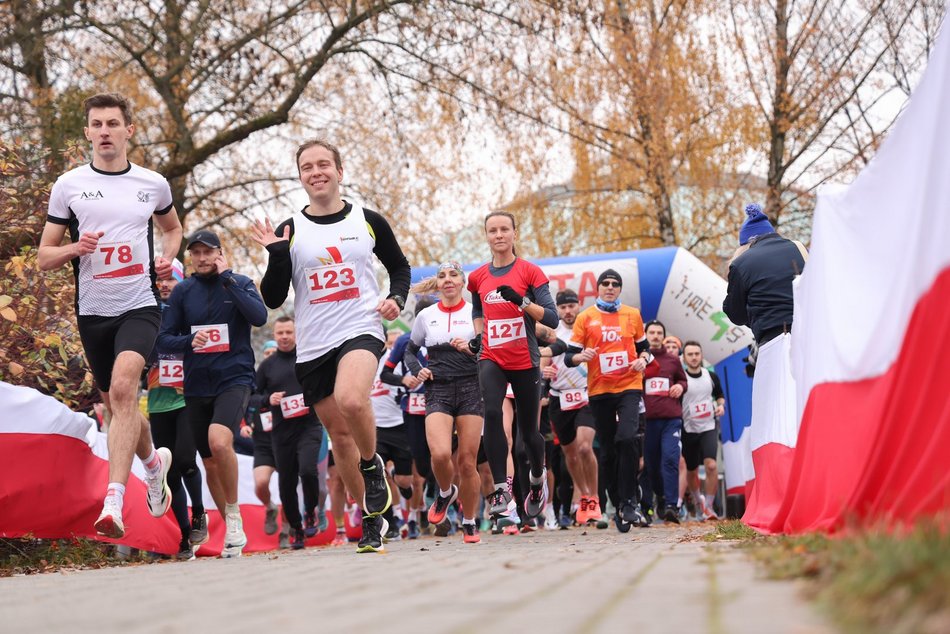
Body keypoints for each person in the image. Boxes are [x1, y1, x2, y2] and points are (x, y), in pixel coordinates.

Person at [252, 138, 411, 554]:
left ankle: (372, 466)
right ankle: (373, 521)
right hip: (314, 344)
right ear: (301, 176)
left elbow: (399, 266)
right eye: (308, 167)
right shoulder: (289, 229)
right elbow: (272, 297)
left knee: (353, 401)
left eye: (324, 164)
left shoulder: (367, 219)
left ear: (340, 172)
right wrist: (276, 254)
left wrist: (397, 297)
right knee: (339, 438)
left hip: (360, 327)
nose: (316, 172)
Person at [38, 92, 183, 538]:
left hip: (139, 304)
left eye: (112, 124)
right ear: (87, 132)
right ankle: (154, 464)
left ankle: (115, 502)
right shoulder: (69, 185)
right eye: (97, 124)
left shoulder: (152, 184)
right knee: (118, 406)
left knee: (124, 388)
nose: (105, 131)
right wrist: (73, 249)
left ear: (128, 131)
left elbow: (173, 228)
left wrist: (167, 258)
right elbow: (44, 256)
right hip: (93, 312)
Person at [157, 229, 268, 557]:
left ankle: (233, 517)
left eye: (208, 252)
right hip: (195, 385)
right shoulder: (183, 292)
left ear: (220, 253)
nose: (202, 258)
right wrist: (188, 342)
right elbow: (164, 338)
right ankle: (233, 533)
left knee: (221, 441)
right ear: (190, 257)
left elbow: (259, 317)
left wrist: (229, 279)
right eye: (197, 253)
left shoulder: (239, 283)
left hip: (234, 378)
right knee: (209, 461)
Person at [467, 211, 559, 523]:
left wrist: (521, 301)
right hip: (492, 357)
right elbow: (478, 308)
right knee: (492, 413)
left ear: (514, 234)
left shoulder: (530, 272)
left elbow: (552, 318)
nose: (498, 235)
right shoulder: (478, 277)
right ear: (487, 236)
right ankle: (501, 492)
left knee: (529, 433)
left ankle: (536, 481)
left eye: (504, 229)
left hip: (525, 360)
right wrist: (479, 335)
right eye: (492, 230)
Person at [723, 203, 807, 517]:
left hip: (773, 343)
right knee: (802, 416)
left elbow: (734, 313)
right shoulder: (798, 250)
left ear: (748, 241)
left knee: (772, 424)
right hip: (806, 341)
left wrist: (735, 268)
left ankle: (781, 496)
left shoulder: (742, 263)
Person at [404, 262, 484, 543]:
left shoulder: (476, 311)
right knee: (439, 454)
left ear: (462, 282)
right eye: (442, 276)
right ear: (437, 284)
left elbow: (489, 350)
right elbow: (410, 352)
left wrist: (472, 348)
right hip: (438, 389)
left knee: (466, 461)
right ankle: (446, 491)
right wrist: (417, 370)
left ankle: (470, 521)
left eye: (453, 275)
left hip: (471, 388)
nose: (447, 280)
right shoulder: (425, 316)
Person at [566, 269, 651, 532]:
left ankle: (628, 502)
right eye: (606, 283)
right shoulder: (586, 317)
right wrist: (583, 357)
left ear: (619, 289)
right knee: (608, 452)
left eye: (615, 284)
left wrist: (643, 360)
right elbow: (570, 356)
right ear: (598, 289)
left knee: (627, 438)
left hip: (629, 385)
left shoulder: (632, 314)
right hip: (600, 390)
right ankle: (616, 500)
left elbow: (645, 348)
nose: (610, 287)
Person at [145, 259, 206, 559]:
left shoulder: (189, 312)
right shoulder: (144, 314)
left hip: (187, 398)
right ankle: (185, 539)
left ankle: (199, 515)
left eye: (171, 279)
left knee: (185, 460)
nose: (165, 284)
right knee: (168, 474)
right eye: (160, 279)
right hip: (157, 403)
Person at [253, 316, 326, 550]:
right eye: (280, 333)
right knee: (286, 483)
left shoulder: (308, 357)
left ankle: (311, 511)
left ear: (297, 334)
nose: (284, 337)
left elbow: (326, 384)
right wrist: (267, 399)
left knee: (307, 470)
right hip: (281, 431)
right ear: (274, 336)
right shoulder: (268, 365)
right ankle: (296, 528)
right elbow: (251, 395)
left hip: (309, 426)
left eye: (289, 332)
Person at [542, 288, 601, 526]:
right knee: (571, 455)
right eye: (563, 307)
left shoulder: (589, 327)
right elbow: (542, 362)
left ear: (579, 305)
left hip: (587, 396)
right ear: (558, 309)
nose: (568, 311)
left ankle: (594, 498)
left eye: (571, 306)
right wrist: (542, 371)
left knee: (585, 447)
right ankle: (584, 494)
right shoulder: (552, 334)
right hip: (560, 397)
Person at [369, 330, 416, 541]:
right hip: (375, 427)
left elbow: (411, 378)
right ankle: (391, 524)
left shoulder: (393, 358)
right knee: (378, 476)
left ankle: (400, 478)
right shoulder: (361, 361)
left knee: (405, 481)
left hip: (399, 424)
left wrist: (402, 380)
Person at [641, 319, 689, 524]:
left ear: (663, 335)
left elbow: (683, 380)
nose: (655, 336)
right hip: (647, 420)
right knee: (650, 465)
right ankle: (658, 498)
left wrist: (680, 387)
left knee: (670, 459)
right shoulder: (640, 359)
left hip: (671, 419)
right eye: (651, 332)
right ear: (646, 335)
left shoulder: (672, 359)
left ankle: (671, 505)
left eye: (659, 332)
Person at [680, 341, 725, 521]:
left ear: (701, 355)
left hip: (708, 426)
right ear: (684, 357)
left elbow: (720, 396)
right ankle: (698, 503)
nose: (694, 357)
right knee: (691, 470)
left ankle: (709, 504)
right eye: (690, 354)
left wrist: (721, 406)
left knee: (711, 465)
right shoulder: (681, 378)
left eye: (697, 353)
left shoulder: (711, 376)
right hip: (688, 428)